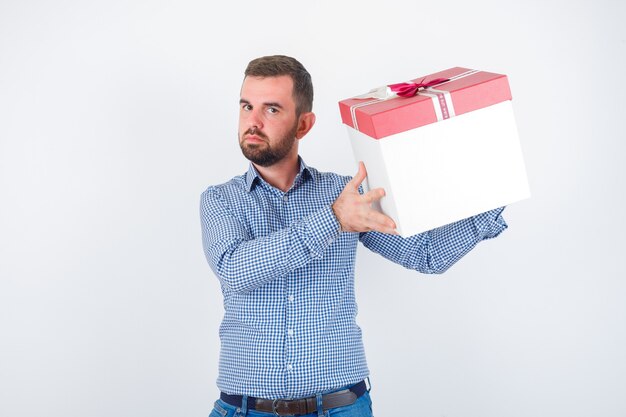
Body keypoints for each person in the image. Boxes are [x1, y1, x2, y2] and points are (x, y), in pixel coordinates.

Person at [200, 55, 507, 417]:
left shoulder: (346, 195)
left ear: (304, 124)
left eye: (271, 110)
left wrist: (496, 188)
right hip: (244, 410)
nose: (252, 121)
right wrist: (333, 219)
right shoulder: (219, 199)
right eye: (247, 106)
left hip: (341, 408)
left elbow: (427, 254)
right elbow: (236, 270)